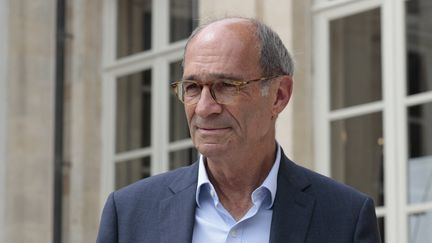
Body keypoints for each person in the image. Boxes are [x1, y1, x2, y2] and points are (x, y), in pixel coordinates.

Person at [96, 17, 381, 243]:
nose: (205, 107)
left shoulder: (345, 218)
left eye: (226, 86)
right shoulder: (129, 214)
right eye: (193, 88)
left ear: (279, 95)